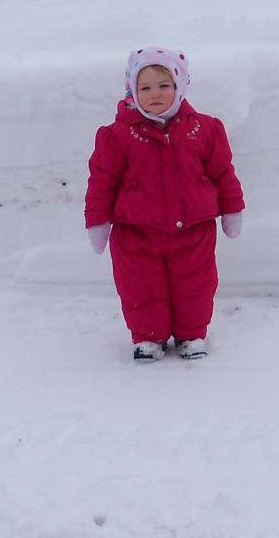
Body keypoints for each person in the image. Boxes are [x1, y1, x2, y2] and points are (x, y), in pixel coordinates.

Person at [85, 47, 246, 362]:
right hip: (136, 235)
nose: (154, 94)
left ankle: (192, 334)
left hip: (194, 231)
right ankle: (148, 337)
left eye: (164, 85)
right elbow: (102, 182)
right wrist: (98, 221)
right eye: (144, 88)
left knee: (196, 285)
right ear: (132, 90)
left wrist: (232, 207)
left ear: (180, 86)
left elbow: (222, 172)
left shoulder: (204, 130)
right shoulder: (116, 137)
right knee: (140, 286)